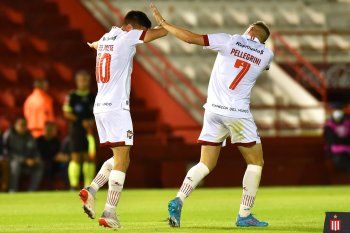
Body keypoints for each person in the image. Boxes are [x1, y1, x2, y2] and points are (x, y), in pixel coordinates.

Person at [150, 3, 274, 228]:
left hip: (214, 110)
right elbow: (259, 64)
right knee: (256, 162)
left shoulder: (229, 40)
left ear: (250, 30)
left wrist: (166, 25)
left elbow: (190, 38)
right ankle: (244, 215)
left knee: (205, 163)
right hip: (237, 113)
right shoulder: (266, 54)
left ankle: (179, 199)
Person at [81, 10, 168, 228]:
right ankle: (109, 213)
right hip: (117, 107)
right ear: (132, 27)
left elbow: (97, 46)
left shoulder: (106, 37)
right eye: (141, 32)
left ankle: (91, 189)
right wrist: (164, 24)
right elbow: (161, 33)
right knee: (122, 160)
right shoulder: (127, 35)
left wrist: (94, 45)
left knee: (122, 156)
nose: (142, 37)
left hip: (100, 107)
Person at [63, 70, 95, 190]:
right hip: (76, 130)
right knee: (76, 156)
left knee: (89, 157)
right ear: (77, 81)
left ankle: (88, 186)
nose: (83, 82)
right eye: (81, 80)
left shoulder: (93, 95)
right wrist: (81, 121)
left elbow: (99, 112)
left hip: (90, 131)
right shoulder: (72, 96)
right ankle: (74, 185)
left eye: (85, 80)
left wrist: (91, 121)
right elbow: (66, 112)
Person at [3, 118, 44, 192]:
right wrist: (24, 160)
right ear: (15, 125)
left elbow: (35, 150)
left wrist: (36, 158)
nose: (23, 127)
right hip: (13, 162)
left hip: (28, 163)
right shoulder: (9, 134)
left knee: (40, 165)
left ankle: (32, 191)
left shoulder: (29, 135)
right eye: (21, 125)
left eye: (25, 125)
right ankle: (13, 190)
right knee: (15, 165)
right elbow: (6, 152)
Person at [36, 122, 69, 188]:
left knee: (66, 164)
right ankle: (48, 188)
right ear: (45, 130)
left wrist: (63, 156)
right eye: (48, 130)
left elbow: (59, 152)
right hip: (44, 162)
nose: (50, 132)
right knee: (47, 165)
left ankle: (68, 187)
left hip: (56, 163)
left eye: (52, 130)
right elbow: (39, 155)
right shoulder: (39, 140)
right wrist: (54, 157)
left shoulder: (56, 141)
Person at [324, 109, 350, 173]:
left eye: (340, 119)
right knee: (341, 162)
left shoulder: (347, 124)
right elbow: (330, 139)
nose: (338, 121)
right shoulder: (329, 126)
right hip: (336, 149)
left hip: (347, 147)